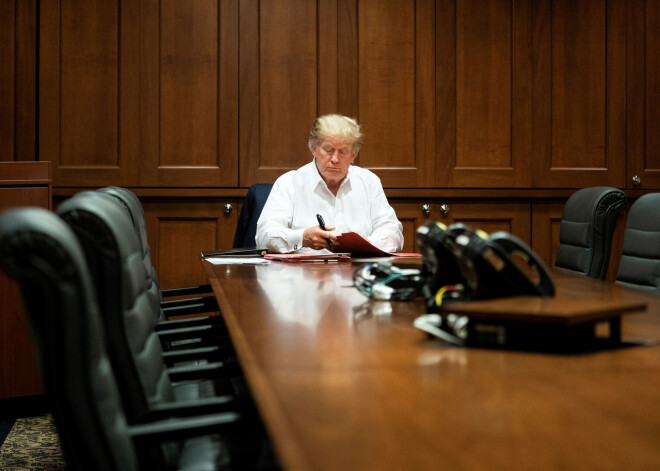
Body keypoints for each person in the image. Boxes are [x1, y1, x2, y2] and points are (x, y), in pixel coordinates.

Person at [255, 114, 403, 253]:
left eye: (343, 151)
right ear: (314, 148)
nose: (335, 159)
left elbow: (393, 232)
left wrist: (367, 242)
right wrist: (302, 237)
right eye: (328, 149)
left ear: (353, 155)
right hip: (303, 276)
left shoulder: (368, 182)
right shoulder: (289, 183)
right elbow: (264, 236)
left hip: (356, 273)